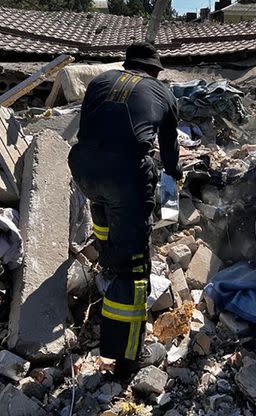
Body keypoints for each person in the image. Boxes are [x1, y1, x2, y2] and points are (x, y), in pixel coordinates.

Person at [68, 42, 181, 377]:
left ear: (127, 64)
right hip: (123, 177)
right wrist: (172, 201)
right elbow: (170, 151)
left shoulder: (100, 81)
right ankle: (127, 357)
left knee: (104, 213)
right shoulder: (162, 93)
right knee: (134, 269)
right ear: (155, 71)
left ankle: (106, 265)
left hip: (84, 169)